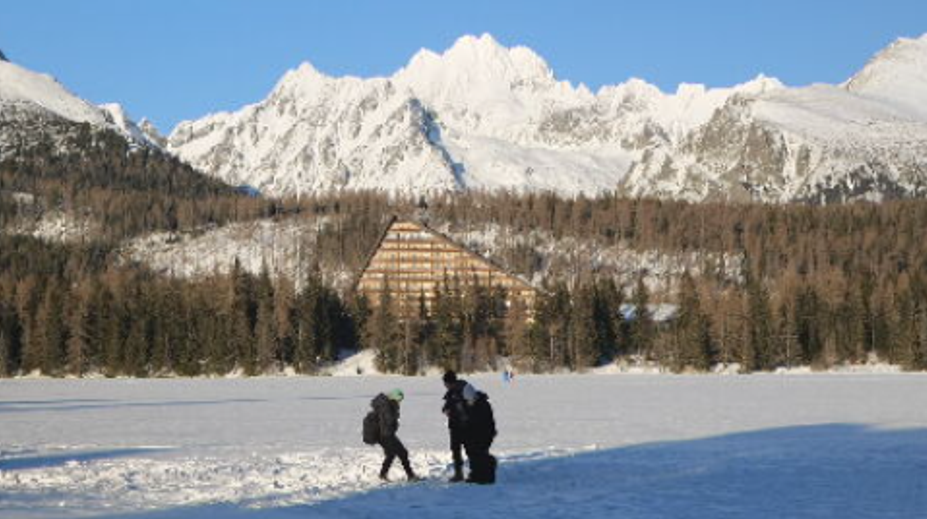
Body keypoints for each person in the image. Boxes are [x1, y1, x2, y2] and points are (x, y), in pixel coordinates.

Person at [371, 388, 420, 482]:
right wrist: (395, 413)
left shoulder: (384, 404)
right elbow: (389, 420)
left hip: (384, 434)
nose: (400, 402)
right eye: (399, 400)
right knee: (403, 453)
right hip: (386, 434)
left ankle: (382, 475)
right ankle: (410, 476)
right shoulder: (387, 406)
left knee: (391, 454)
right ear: (394, 398)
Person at [462, 383, 498, 484]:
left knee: (479, 455)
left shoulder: (482, 405)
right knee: (475, 455)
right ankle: (477, 475)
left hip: (484, 434)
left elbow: (481, 422)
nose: (468, 401)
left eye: (468, 399)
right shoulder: (475, 404)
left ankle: (484, 476)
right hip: (478, 434)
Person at [441, 370, 469, 482]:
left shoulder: (458, 391)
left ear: (450, 382)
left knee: (460, 450)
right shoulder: (456, 390)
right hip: (458, 425)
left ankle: (461, 474)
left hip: (461, 426)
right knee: (458, 450)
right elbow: (447, 406)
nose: (444, 385)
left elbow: (460, 409)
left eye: (445, 383)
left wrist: (450, 411)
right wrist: (446, 409)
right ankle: (460, 474)